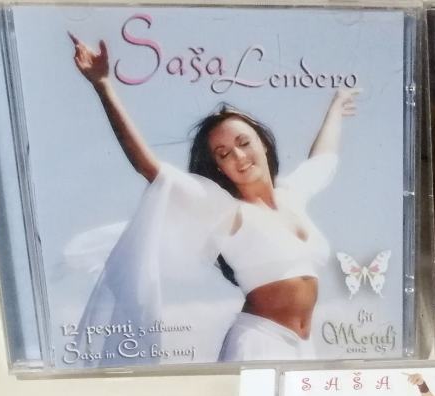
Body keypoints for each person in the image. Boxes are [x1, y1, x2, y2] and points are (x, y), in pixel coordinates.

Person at [68, 33, 358, 362]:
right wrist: (103, 85)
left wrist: (336, 107)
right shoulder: (224, 209)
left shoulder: (292, 195)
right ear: (219, 167)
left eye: (243, 143)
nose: (238, 156)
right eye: (224, 153)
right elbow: (149, 167)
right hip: (258, 343)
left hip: (303, 347)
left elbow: (322, 161)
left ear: (262, 143)